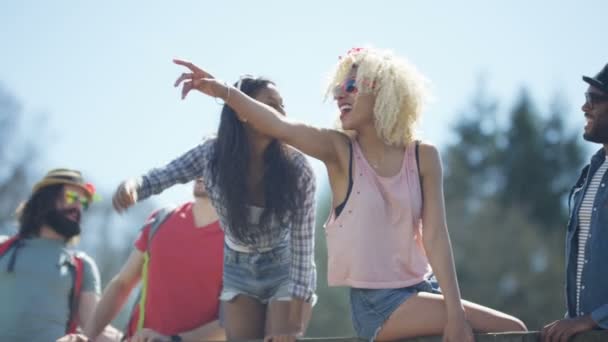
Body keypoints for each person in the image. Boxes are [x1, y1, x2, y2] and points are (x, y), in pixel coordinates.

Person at [172, 47, 527, 342]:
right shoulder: (339, 151)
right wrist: (222, 91)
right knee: (511, 331)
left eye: (353, 86)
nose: (341, 93)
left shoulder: (423, 156)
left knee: (516, 331)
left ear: (385, 93)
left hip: (425, 289)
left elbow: (435, 237)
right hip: (378, 304)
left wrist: (455, 312)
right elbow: (278, 125)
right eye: (340, 86)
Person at [112, 73, 317, 341]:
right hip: (238, 268)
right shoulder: (212, 155)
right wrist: (133, 186)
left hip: (285, 267)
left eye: (282, 107)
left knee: (282, 338)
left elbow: (303, 248)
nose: (281, 113)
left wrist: (294, 324)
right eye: (271, 104)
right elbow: (163, 176)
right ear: (243, 112)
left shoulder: (297, 169)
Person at [86, 178, 225, 342]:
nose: (204, 170)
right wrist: (85, 336)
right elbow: (122, 284)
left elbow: (234, 323)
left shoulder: (242, 244)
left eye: (214, 162)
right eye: (201, 163)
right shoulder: (161, 219)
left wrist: (174, 340)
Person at [0, 168, 119, 342]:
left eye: (84, 202)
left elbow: (96, 328)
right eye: (72, 197)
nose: (78, 207)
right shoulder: (3, 247)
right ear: (45, 199)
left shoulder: (81, 265)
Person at [541, 64, 608, 342]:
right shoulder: (592, 171)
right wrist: (577, 321)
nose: (584, 107)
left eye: (594, 99)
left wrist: (593, 319)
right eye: (585, 97)